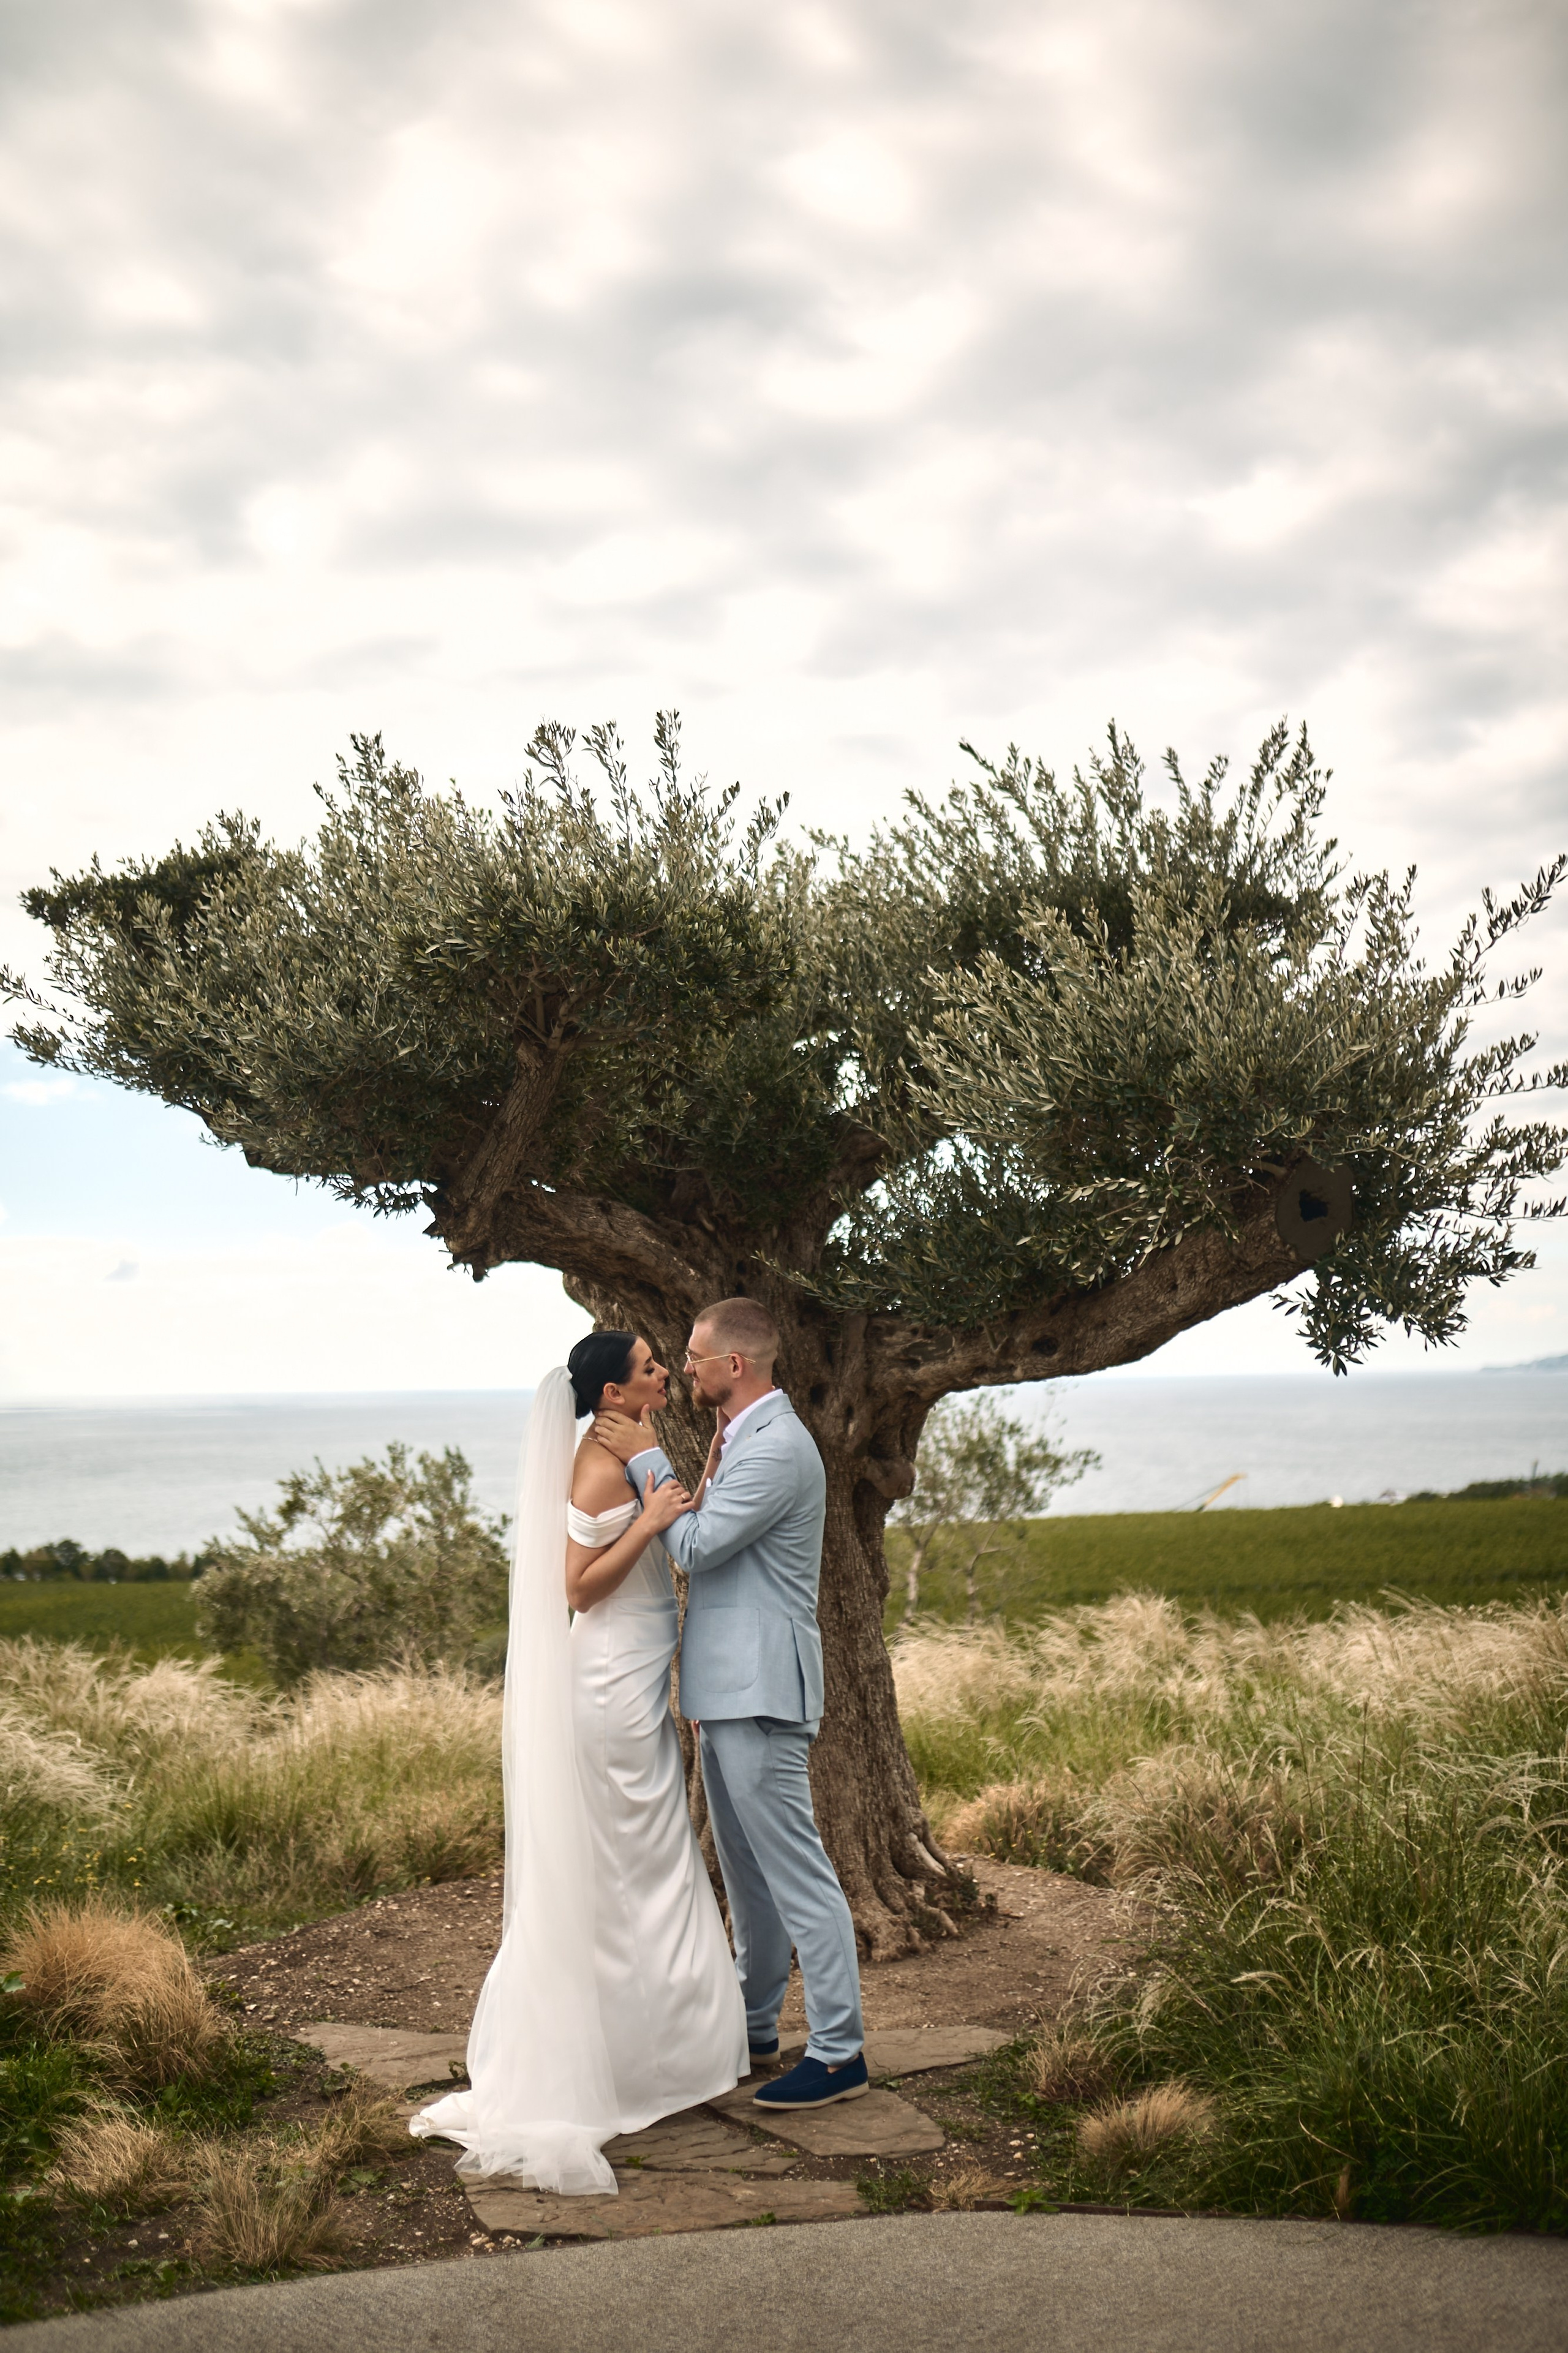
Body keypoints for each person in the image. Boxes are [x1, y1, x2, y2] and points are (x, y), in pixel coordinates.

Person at [410, 1333, 748, 2195]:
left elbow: (674, 1514)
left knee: (647, 1860)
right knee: (637, 1862)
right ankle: (630, 2065)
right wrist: (651, 1522)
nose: (664, 1372)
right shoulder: (599, 1466)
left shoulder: (629, 1446)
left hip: (633, 1674)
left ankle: (658, 2054)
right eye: (649, 1368)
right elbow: (579, 1587)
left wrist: (691, 1476)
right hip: (608, 1686)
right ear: (611, 1394)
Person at [592, 1296, 867, 2115]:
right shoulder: (741, 1439)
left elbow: (697, 1547)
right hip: (727, 1690)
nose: (683, 1369)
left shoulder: (778, 1446)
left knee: (797, 1873)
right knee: (749, 1879)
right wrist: (700, 1470)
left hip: (761, 1690)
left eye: (694, 1358)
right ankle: (754, 2029)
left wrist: (646, 1459)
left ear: (734, 1365)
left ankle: (840, 2051)